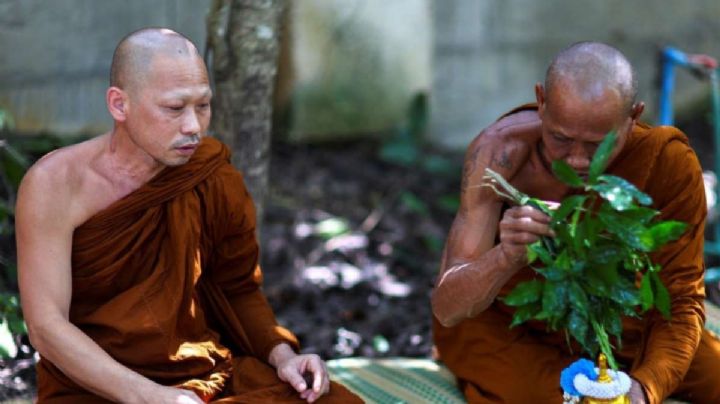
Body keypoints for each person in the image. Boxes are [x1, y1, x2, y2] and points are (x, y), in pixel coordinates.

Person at [16, 28, 361, 403]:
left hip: (201, 376)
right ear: (119, 105)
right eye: (174, 108)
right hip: (96, 387)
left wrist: (284, 357)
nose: (193, 126)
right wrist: (151, 397)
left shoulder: (210, 175)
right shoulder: (55, 185)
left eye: (203, 106)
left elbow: (236, 288)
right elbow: (46, 327)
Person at [431, 42, 720, 404]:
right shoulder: (499, 156)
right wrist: (505, 257)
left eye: (598, 146)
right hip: (512, 329)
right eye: (560, 138)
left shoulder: (666, 162)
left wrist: (644, 390)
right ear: (541, 101)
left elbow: (681, 299)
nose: (578, 160)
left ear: (633, 117)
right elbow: (448, 309)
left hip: (624, 325)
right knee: (578, 399)